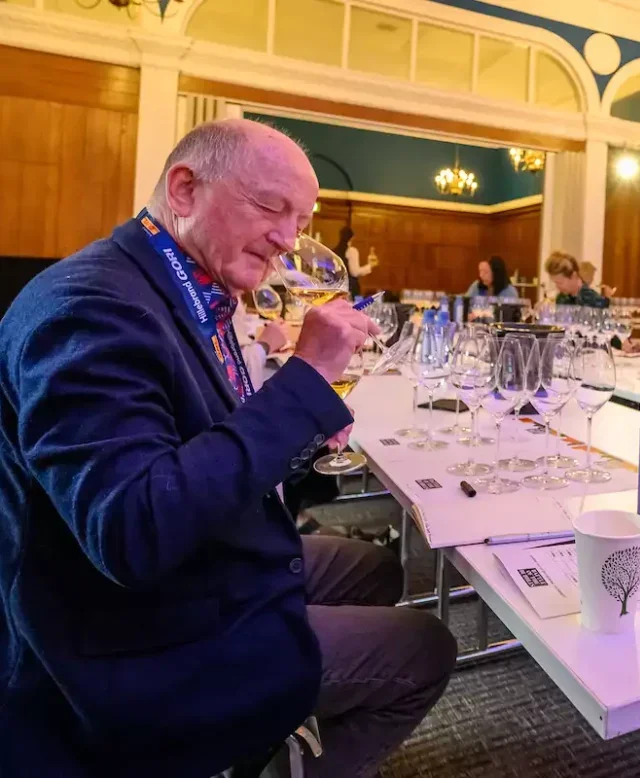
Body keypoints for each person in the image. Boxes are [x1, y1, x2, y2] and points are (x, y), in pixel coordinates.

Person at [0, 119, 457, 778]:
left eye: (300, 220)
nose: (287, 239)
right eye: (272, 207)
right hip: (128, 635)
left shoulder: (175, 288)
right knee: (427, 647)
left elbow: (204, 439)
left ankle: (275, 735)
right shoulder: (90, 309)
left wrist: (297, 435)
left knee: (378, 570)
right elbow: (132, 532)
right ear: (184, 189)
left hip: (195, 566)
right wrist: (303, 383)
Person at [334, 226, 377, 298]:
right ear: (352, 237)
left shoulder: (334, 251)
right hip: (350, 288)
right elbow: (354, 272)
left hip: (337, 288)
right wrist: (370, 266)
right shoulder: (352, 251)